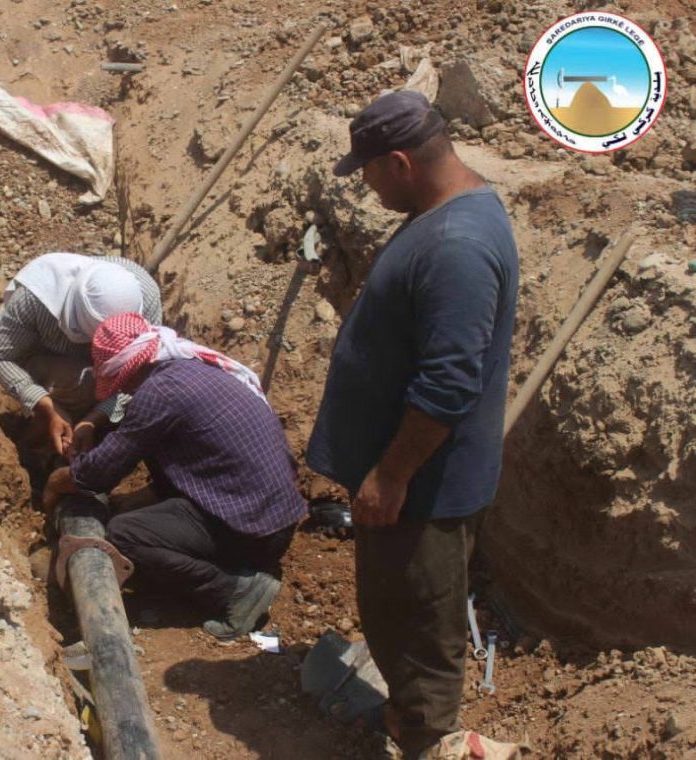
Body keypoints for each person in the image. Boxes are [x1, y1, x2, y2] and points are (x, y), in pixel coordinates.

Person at [305, 90, 519, 757]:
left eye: (367, 172)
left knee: (422, 622)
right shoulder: (443, 213)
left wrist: (392, 474)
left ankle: (429, 741)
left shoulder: (458, 245)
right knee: (397, 606)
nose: (365, 187)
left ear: (399, 163)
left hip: (423, 484)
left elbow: (449, 382)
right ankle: (408, 718)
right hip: (404, 476)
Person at [43, 313, 307, 639]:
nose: (121, 388)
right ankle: (231, 565)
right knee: (147, 481)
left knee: (125, 535)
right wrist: (129, 498)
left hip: (254, 534)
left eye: (119, 380)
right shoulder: (192, 367)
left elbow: (100, 473)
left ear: (130, 369)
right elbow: (189, 461)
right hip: (270, 515)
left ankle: (236, 592)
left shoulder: (161, 393)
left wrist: (58, 481)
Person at [0, 252, 162, 456]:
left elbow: (141, 377)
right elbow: (1, 358)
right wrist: (47, 406)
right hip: (46, 364)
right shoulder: (36, 297)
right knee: (81, 384)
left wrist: (93, 420)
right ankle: (40, 442)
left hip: (107, 377)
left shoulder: (146, 298)